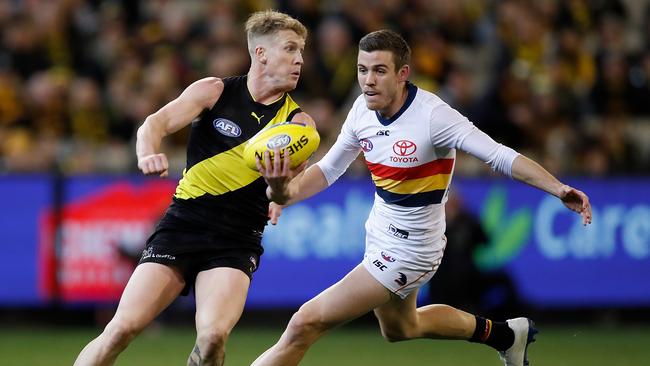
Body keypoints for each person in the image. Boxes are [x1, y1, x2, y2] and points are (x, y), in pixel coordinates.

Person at [253, 30, 592, 366]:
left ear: (403, 74)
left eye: (379, 70)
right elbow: (329, 169)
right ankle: (506, 335)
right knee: (401, 327)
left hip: (411, 250)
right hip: (380, 233)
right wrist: (287, 195)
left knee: (304, 322)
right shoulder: (361, 109)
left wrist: (557, 188)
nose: (368, 81)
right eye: (362, 70)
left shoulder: (433, 116)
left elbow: (499, 156)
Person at [73, 10, 313, 366]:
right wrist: (147, 153)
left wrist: (278, 190)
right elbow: (154, 123)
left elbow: (283, 194)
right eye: (290, 49)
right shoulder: (214, 91)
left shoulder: (297, 127)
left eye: (302, 51)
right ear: (260, 53)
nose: (300, 60)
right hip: (182, 226)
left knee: (213, 337)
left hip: (236, 238)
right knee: (120, 330)